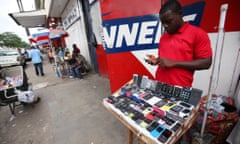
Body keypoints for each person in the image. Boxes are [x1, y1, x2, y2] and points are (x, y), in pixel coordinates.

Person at [145, 0, 212, 87]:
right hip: (159, 85)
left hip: (180, 89)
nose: (165, 26)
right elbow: (168, 59)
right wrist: (157, 60)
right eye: (163, 23)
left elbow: (206, 62)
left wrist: (174, 63)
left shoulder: (198, 34)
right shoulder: (164, 37)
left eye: (169, 21)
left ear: (180, 14)